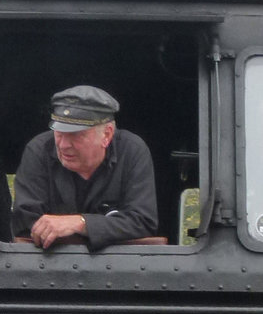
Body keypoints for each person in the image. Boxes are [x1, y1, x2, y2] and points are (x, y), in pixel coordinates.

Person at [10, 85, 158, 249]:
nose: (64, 145)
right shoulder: (38, 151)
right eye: (59, 133)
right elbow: (25, 222)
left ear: (107, 135)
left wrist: (80, 223)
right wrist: (108, 228)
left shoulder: (132, 151)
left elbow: (143, 222)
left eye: (75, 134)